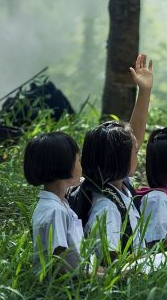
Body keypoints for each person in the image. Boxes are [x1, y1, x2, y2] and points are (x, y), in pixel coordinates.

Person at [81, 54, 153, 262]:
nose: (138, 151)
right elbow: (108, 258)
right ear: (119, 160)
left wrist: (145, 92)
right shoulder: (106, 207)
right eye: (134, 152)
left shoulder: (118, 187)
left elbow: (133, 140)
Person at [24, 132, 84, 273]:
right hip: (67, 288)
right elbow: (59, 265)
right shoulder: (55, 211)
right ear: (65, 163)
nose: (82, 166)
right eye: (79, 160)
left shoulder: (60, 204)